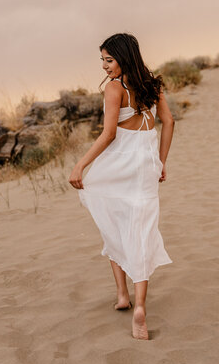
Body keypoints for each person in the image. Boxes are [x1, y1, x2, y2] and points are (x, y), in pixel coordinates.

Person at [69, 33, 174, 340]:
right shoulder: (153, 83)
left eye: (109, 60)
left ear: (123, 58)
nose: (104, 67)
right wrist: (161, 161)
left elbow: (109, 134)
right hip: (145, 163)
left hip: (118, 163)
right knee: (141, 229)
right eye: (102, 60)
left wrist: (81, 164)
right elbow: (168, 122)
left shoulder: (116, 88)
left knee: (112, 221)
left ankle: (122, 295)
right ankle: (136, 304)